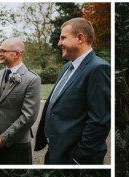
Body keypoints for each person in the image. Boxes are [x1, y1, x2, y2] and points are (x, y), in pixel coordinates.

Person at [34, 18, 110, 164]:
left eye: (63, 38)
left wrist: (78, 158)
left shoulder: (99, 69)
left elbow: (99, 121)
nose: (59, 43)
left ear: (80, 38)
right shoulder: (67, 67)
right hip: (55, 153)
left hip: (74, 159)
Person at [0, 37, 42, 165]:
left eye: (3, 51)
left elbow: (29, 116)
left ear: (17, 54)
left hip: (16, 144)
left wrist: (3, 139)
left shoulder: (32, 79)